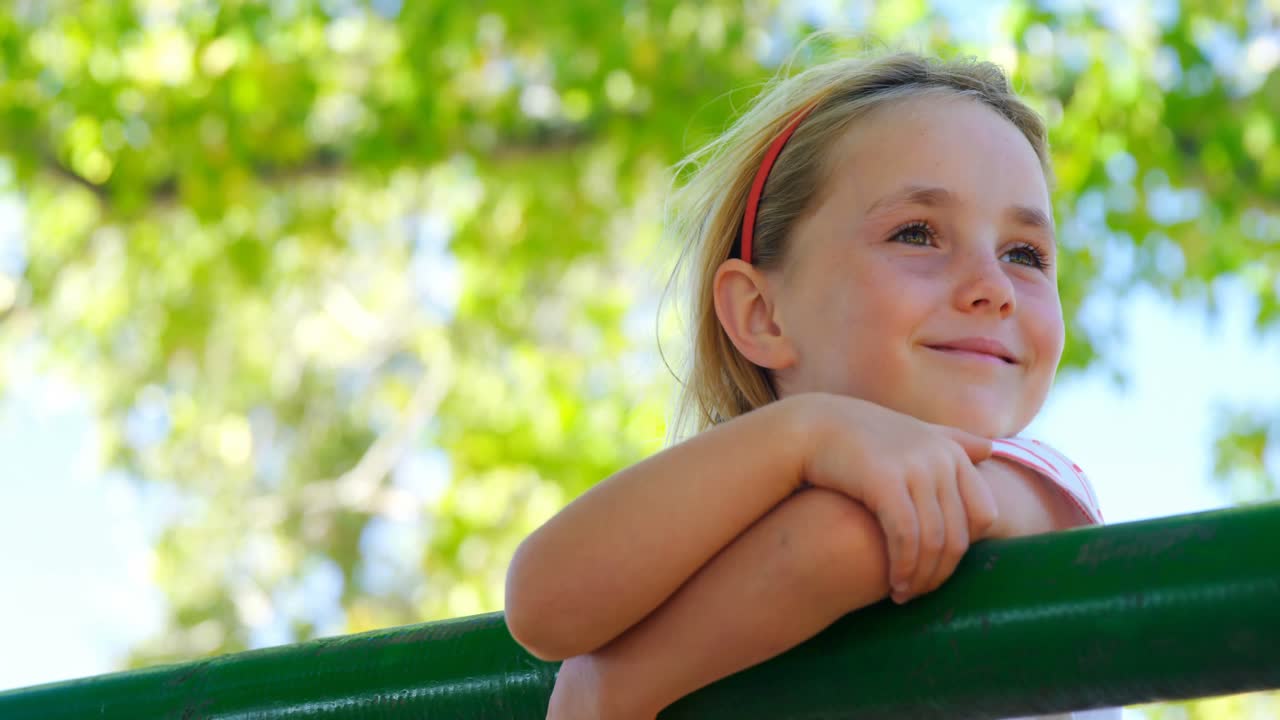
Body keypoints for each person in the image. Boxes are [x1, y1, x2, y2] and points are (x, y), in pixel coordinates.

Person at [504, 49, 1116, 720]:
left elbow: (842, 541)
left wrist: (621, 687)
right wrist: (803, 434)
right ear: (762, 314)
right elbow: (543, 606)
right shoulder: (726, 523)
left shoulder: (1031, 483)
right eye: (918, 234)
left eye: (1024, 254)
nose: (992, 289)